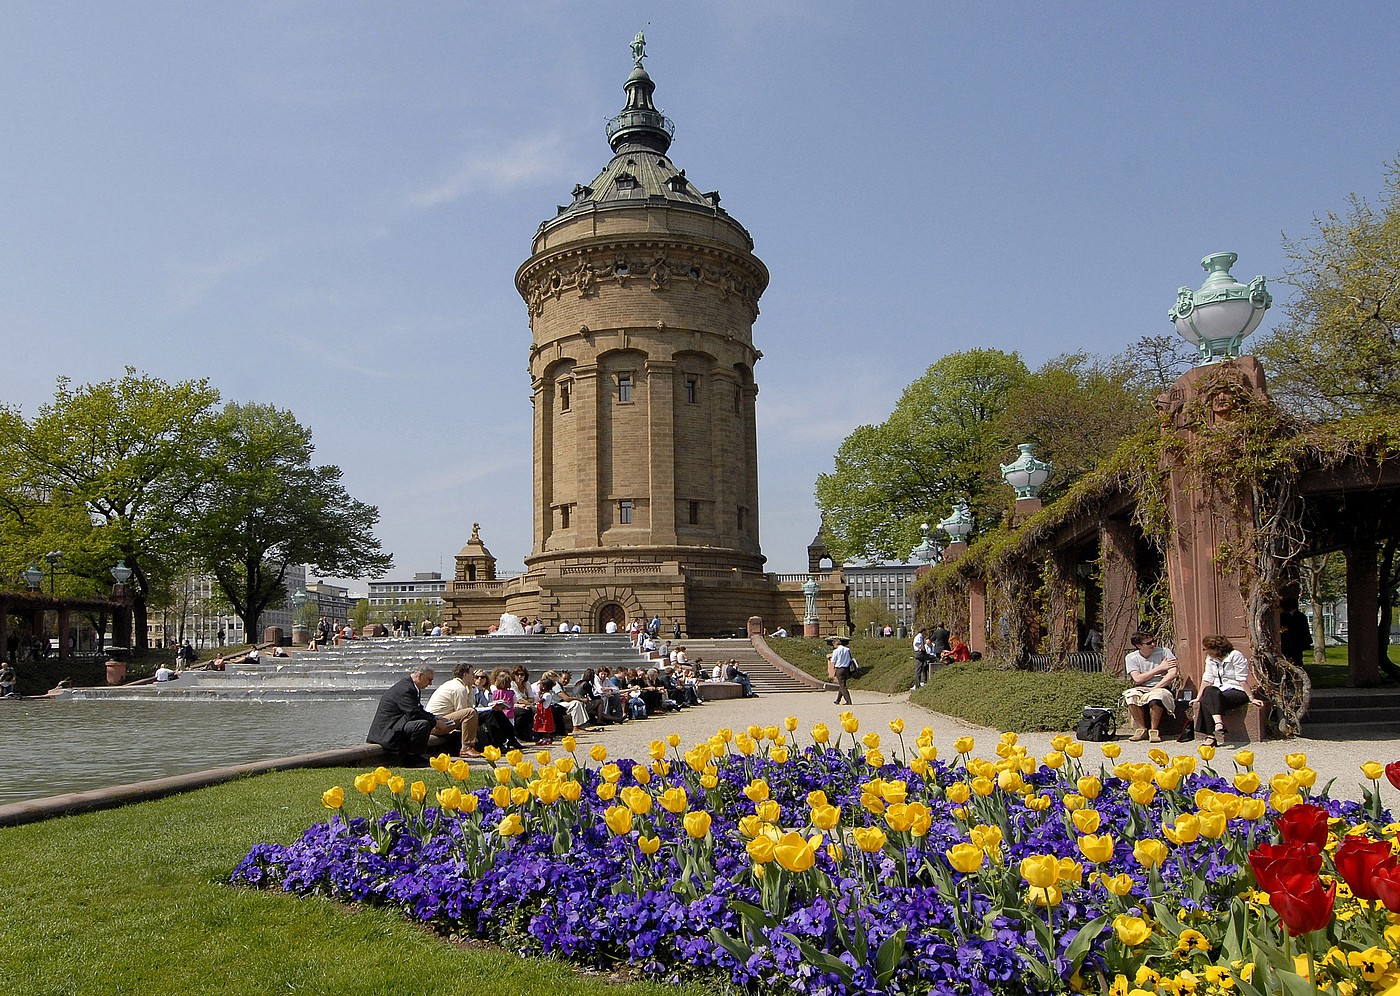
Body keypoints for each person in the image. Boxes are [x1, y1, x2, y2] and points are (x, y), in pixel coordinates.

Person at [366, 667, 450, 764]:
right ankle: (413, 758)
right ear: (420, 676)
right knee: (422, 724)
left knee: (424, 722)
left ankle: (416, 756)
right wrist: (435, 723)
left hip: (395, 725)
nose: (430, 683)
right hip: (387, 732)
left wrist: (435, 717)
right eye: (429, 680)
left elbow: (418, 710)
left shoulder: (410, 686)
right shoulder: (406, 689)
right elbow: (413, 713)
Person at [1197, 635, 1262, 747]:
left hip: (1236, 690)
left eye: (1206, 649)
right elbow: (1207, 679)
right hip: (1218, 691)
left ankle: (1211, 736)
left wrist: (1251, 698)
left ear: (1215, 649)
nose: (1205, 652)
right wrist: (1197, 698)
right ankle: (1218, 723)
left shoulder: (1235, 655)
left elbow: (1241, 679)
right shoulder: (1210, 658)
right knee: (1208, 693)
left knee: (1207, 699)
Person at [1120, 632, 1178, 743]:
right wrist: (1160, 668)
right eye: (1149, 643)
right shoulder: (1131, 658)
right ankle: (1141, 729)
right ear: (1139, 646)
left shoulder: (1165, 652)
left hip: (1161, 685)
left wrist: (1154, 687)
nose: (1153, 644)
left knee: (1157, 696)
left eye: (1153, 641)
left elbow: (1172, 673)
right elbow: (1138, 679)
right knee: (1131, 695)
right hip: (1142, 687)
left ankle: (1154, 730)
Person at [425, 663, 484, 756]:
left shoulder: (455, 684)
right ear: (465, 675)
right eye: (472, 674)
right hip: (436, 725)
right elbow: (464, 713)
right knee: (470, 712)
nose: (474, 677)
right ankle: (466, 748)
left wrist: (470, 689)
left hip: (438, 721)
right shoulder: (459, 689)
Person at [829, 637, 853, 705]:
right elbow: (850, 659)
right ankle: (838, 700)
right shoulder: (847, 649)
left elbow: (833, 660)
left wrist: (830, 657)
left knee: (842, 685)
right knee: (842, 684)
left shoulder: (836, 651)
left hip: (839, 669)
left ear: (835, 645)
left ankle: (848, 700)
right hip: (846, 668)